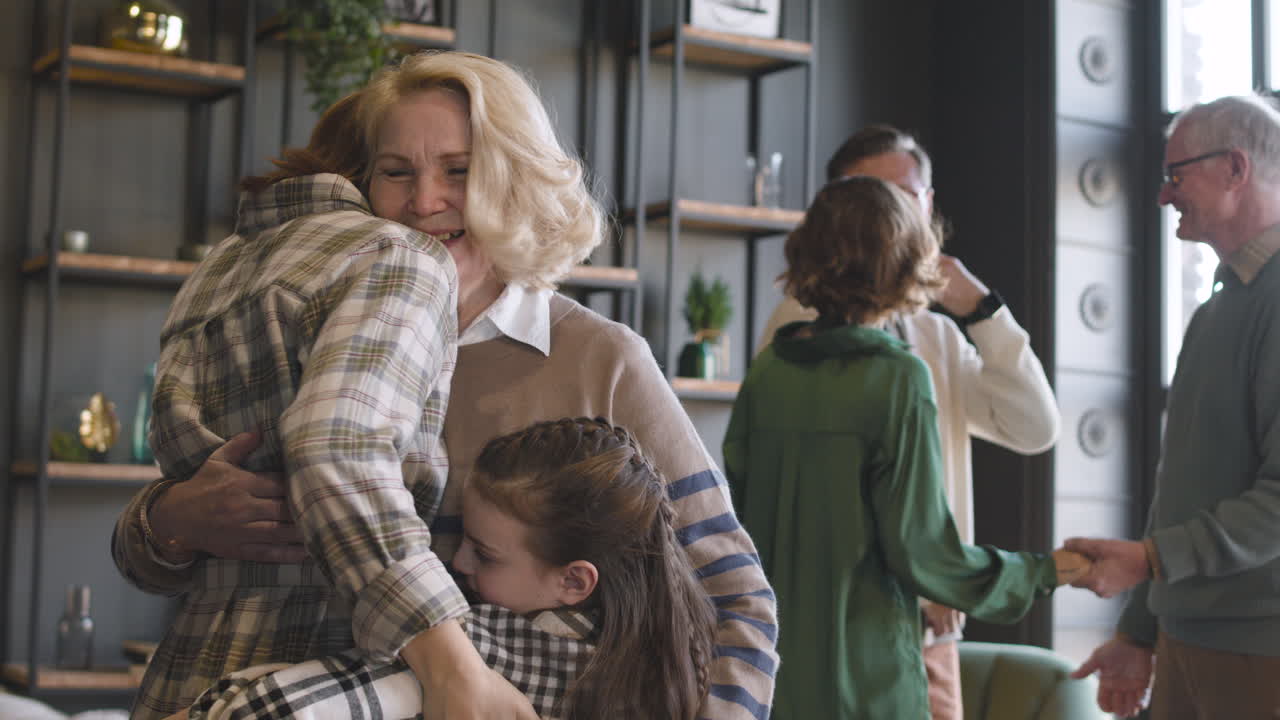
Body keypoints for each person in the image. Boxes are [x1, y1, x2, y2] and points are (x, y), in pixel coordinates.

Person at [114, 51, 779, 720]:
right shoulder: (320, 318)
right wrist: (170, 521)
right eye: (396, 172)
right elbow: (150, 561)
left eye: (459, 172)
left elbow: (733, 600)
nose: (424, 202)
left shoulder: (600, 360)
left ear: (517, 181)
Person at [725, 175, 1086, 720]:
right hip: (866, 672)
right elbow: (924, 553)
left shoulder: (770, 371)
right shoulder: (898, 377)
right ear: (910, 258)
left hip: (770, 667)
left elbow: (738, 523)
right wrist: (1049, 571)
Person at [177, 417, 718, 720]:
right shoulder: (659, 659)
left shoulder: (489, 649)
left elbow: (282, 712)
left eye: (484, 554)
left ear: (573, 581)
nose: (454, 563)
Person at [1064, 94, 1280, 719]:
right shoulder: (1217, 309)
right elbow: (1180, 489)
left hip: (1260, 654)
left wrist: (1151, 561)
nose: (1164, 196)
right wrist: (1138, 631)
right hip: (1189, 641)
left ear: (1235, 169)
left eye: (1175, 175)